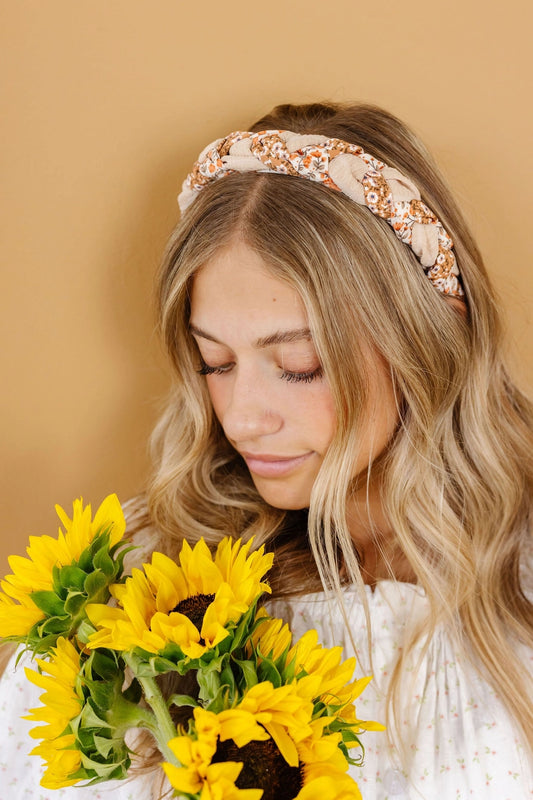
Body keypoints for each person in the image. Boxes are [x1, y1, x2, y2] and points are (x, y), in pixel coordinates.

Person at [1, 101, 532, 799]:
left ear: (422, 338)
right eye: (214, 363)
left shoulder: (515, 575)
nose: (241, 421)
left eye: (298, 363)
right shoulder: (142, 587)